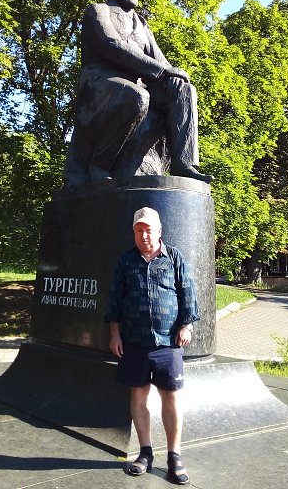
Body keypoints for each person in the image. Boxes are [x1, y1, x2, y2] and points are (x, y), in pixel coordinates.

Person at [65, 0, 212, 185]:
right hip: (100, 85)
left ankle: (183, 165)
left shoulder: (141, 23)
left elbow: (160, 61)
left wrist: (173, 75)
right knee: (137, 97)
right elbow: (112, 45)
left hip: (137, 86)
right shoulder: (98, 10)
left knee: (184, 90)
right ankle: (99, 165)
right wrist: (163, 71)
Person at [106, 206, 200, 484]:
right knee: (138, 397)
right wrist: (114, 334)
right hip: (134, 342)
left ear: (159, 231)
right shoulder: (125, 261)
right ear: (133, 232)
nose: (144, 235)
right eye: (138, 230)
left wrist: (186, 325)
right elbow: (115, 300)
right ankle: (145, 453)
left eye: (148, 230)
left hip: (168, 343)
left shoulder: (174, 258)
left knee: (171, 397)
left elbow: (188, 293)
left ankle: (174, 456)